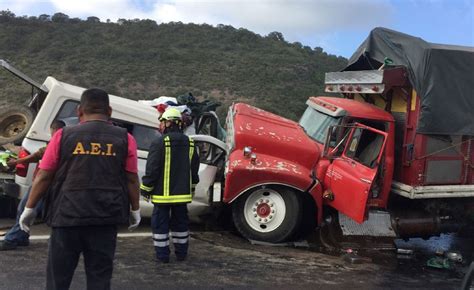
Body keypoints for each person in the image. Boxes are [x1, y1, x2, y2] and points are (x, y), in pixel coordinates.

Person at [19, 88, 141, 290]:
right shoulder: (126, 139)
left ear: (79, 111)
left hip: (67, 217)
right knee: (99, 280)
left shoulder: (63, 136)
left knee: (58, 279)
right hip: (105, 219)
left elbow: (44, 175)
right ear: (109, 111)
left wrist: (29, 208)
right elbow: (131, 179)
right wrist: (135, 209)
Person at [140, 107, 199, 263]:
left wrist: (146, 189)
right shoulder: (191, 143)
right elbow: (194, 170)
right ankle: (181, 254)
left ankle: (162, 256)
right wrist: (191, 190)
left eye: (162, 123)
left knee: (160, 225)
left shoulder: (159, 143)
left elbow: (152, 169)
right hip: (182, 195)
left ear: (167, 123)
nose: (160, 126)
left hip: (162, 196)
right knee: (181, 224)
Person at [0, 120, 66, 251]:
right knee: (26, 209)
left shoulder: (57, 143)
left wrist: (16, 162)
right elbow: (37, 155)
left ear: (52, 130)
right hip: (53, 184)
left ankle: (12, 239)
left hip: (44, 184)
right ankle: (22, 236)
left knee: (26, 209)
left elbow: (36, 156)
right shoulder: (63, 142)